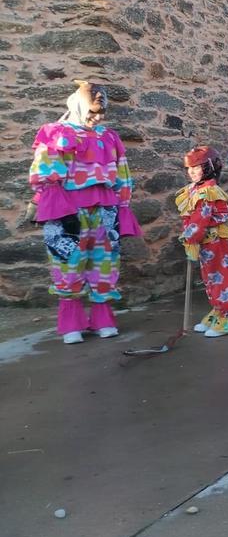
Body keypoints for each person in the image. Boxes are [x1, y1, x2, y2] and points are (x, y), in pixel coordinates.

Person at [27, 82, 142, 344]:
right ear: (78, 106)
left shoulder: (109, 137)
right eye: (92, 112)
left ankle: (102, 318)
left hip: (105, 209)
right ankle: (71, 323)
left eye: (101, 113)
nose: (97, 118)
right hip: (69, 210)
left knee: (104, 262)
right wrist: (48, 202)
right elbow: (45, 171)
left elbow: (121, 172)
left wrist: (123, 205)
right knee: (68, 261)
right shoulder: (57, 134)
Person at [176, 146, 228, 337]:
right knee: (210, 278)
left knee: (221, 277)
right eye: (188, 168)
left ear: (208, 167)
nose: (191, 171)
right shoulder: (195, 189)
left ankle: (227, 318)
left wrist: (189, 238)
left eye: (196, 167)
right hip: (206, 243)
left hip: (218, 242)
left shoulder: (208, 191)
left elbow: (201, 218)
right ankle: (217, 311)